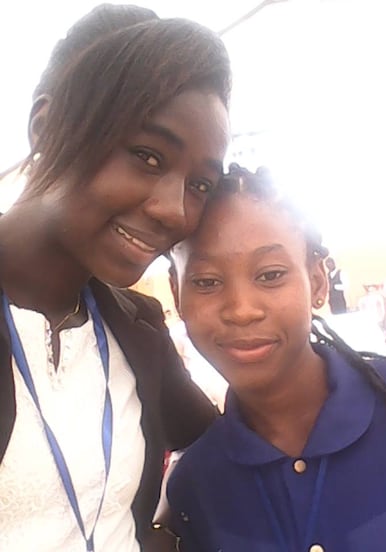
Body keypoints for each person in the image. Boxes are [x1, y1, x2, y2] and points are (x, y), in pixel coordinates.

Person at [0, 4, 231, 551]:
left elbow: (226, 446)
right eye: (148, 156)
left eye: (199, 185)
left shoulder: (135, 329)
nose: (176, 211)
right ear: (45, 126)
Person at [167, 166, 386, 552]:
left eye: (270, 275)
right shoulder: (196, 486)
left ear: (316, 281)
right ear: (176, 293)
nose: (241, 310)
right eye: (206, 282)